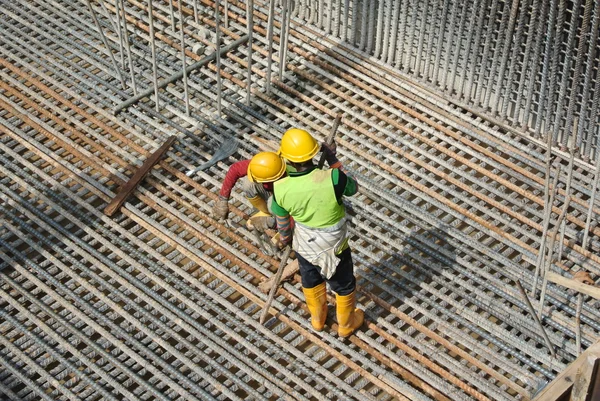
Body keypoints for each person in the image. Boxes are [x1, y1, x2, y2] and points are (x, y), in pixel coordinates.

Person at [270, 128, 363, 338]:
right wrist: (332, 159)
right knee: (344, 284)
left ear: (286, 159)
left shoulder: (280, 188)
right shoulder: (334, 177)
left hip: (305, 245)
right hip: (335, 245)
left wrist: (285, 239)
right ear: (314, 153)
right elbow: (353, 188)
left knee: (311, 280)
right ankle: (346, 325)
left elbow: (283, 225)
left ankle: (318, 320)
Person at [212, 151, 286, 232]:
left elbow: (298, 210)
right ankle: (266, 212)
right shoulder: (270, 164)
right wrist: (223, 198)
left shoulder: (291, 184)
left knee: (272, 206)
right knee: (248, 184)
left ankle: (277, 220)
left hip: (285, 196)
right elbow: (235, 169)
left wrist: (273, 224)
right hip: (274, 186)